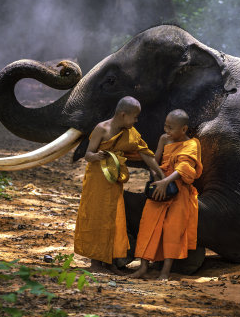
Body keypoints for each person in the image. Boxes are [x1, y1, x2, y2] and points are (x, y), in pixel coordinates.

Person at [74, 96, 164, 274]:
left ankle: (111, 263)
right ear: (123, 115)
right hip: (98, 179)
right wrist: (97, 155)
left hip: (114, 178)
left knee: (114, 219)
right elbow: (88, 154)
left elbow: (145, 153)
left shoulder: (130, 132)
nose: (136, 120)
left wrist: (159, 172)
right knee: (98, 217)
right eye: (135, 117)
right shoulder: (102, 129)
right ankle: (96, 263)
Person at [132, 109, 203, 280]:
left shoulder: (193, 144)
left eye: (171, 128)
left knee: (173, 230)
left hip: (179, 190)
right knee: (148, 225)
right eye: (165, 126)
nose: (167, 131)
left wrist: (166, 182)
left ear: (184, 129)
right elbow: (155, 161)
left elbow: (185, 168)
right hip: (160, 186)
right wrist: (158, 178)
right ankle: (143, 268)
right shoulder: (164, 139)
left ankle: (165, 271)